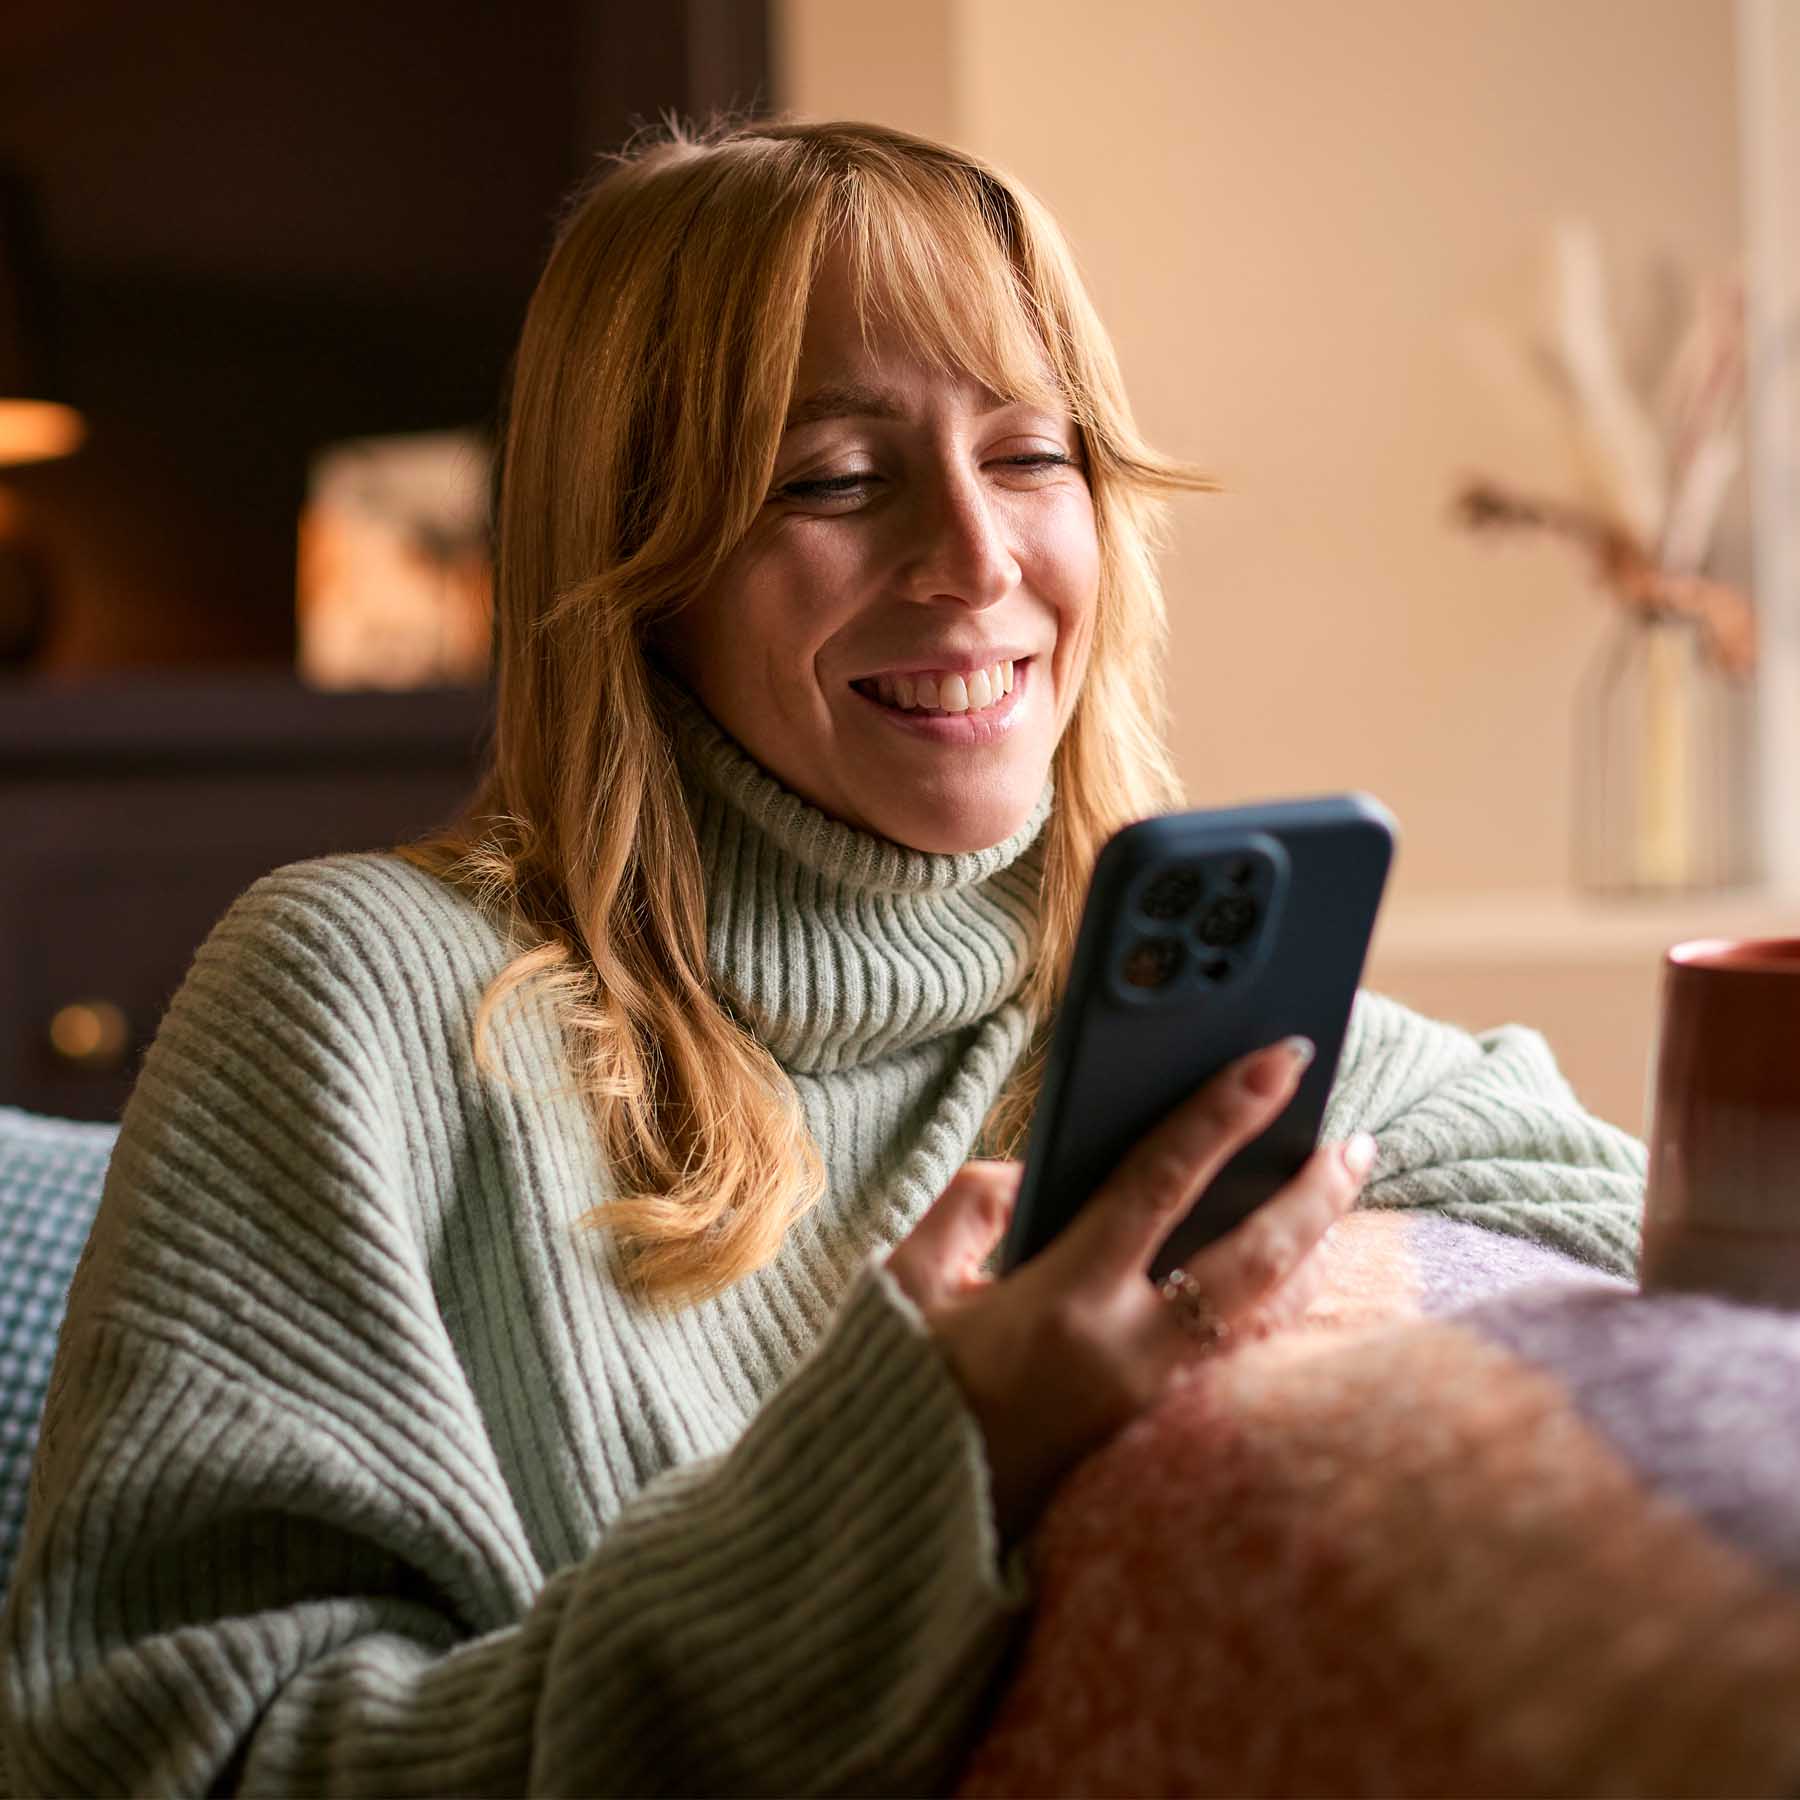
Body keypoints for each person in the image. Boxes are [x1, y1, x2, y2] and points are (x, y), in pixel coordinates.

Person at [0, 119, 1644, 1798]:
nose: (980, 560)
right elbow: (166, 1769)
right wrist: (926, 1472)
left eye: (1030, 456)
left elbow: (1639, 1247)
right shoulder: (352, 997)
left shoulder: (1160, 1006)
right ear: (638, 570)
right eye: (838, 482)